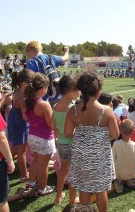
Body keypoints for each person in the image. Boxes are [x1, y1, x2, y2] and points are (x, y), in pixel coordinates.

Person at [64, 70, 119, 212]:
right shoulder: (106, 111)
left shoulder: (73, 111)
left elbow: (68, 133)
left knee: (84, 187)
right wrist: (100, 136)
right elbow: (115, 134)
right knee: (101, 189)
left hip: (80, 155)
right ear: (98, 90)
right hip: (99, 155)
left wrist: (82, 133)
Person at [25, 73, 56, 196]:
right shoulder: (44, 104)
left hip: (32, 136)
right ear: (43, 88)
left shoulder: (28, 102)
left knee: (35, 161)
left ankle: (31, 183)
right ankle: (43, 188)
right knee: (43, 166)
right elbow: (51, 124)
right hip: (44, 138)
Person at [52, 75, 80, 204]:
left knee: (63, 171)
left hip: (62, 143)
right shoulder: (72, 108)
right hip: (72, 144)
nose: (79, 92)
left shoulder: (56, 106)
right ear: (69, 90)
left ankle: (58, 197)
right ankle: (72, 201)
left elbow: (53, 126)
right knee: (74, 174)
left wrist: (60, 134)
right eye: (77, 89)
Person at [7, 69, 34, 183]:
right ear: (24, 83)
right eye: (31, 82)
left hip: (13, 121)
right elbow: (25, 117)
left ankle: (4, 164)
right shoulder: (23, 98)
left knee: (14, 147)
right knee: (21, 151)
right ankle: (24, 175)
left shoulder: (16, 91)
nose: (32, 85)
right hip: (20, 125)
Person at [113, 119, 135, 193]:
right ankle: (132, 181)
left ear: (120, 131)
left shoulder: (116, 144)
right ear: (133, 131)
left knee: (117, 176)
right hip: (132, 174)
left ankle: (119, 183)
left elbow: (112, 159)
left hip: (119, 174)